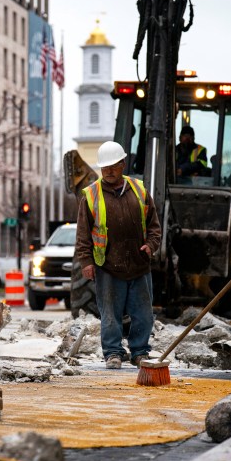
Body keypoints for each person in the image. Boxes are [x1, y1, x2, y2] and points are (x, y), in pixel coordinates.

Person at [74, 141, 162, 369]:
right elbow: (83, 233)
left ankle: (140, 351)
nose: (109, 171)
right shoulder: (91, 195)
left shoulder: (139, 190)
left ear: (123, 164)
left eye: (113, 166)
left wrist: (151, 245)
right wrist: (86, 261)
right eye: (105, 168)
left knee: (143, 313)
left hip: (138, 264)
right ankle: (113, 353)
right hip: (108, 266)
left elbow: (154, 225)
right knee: (110, 314)